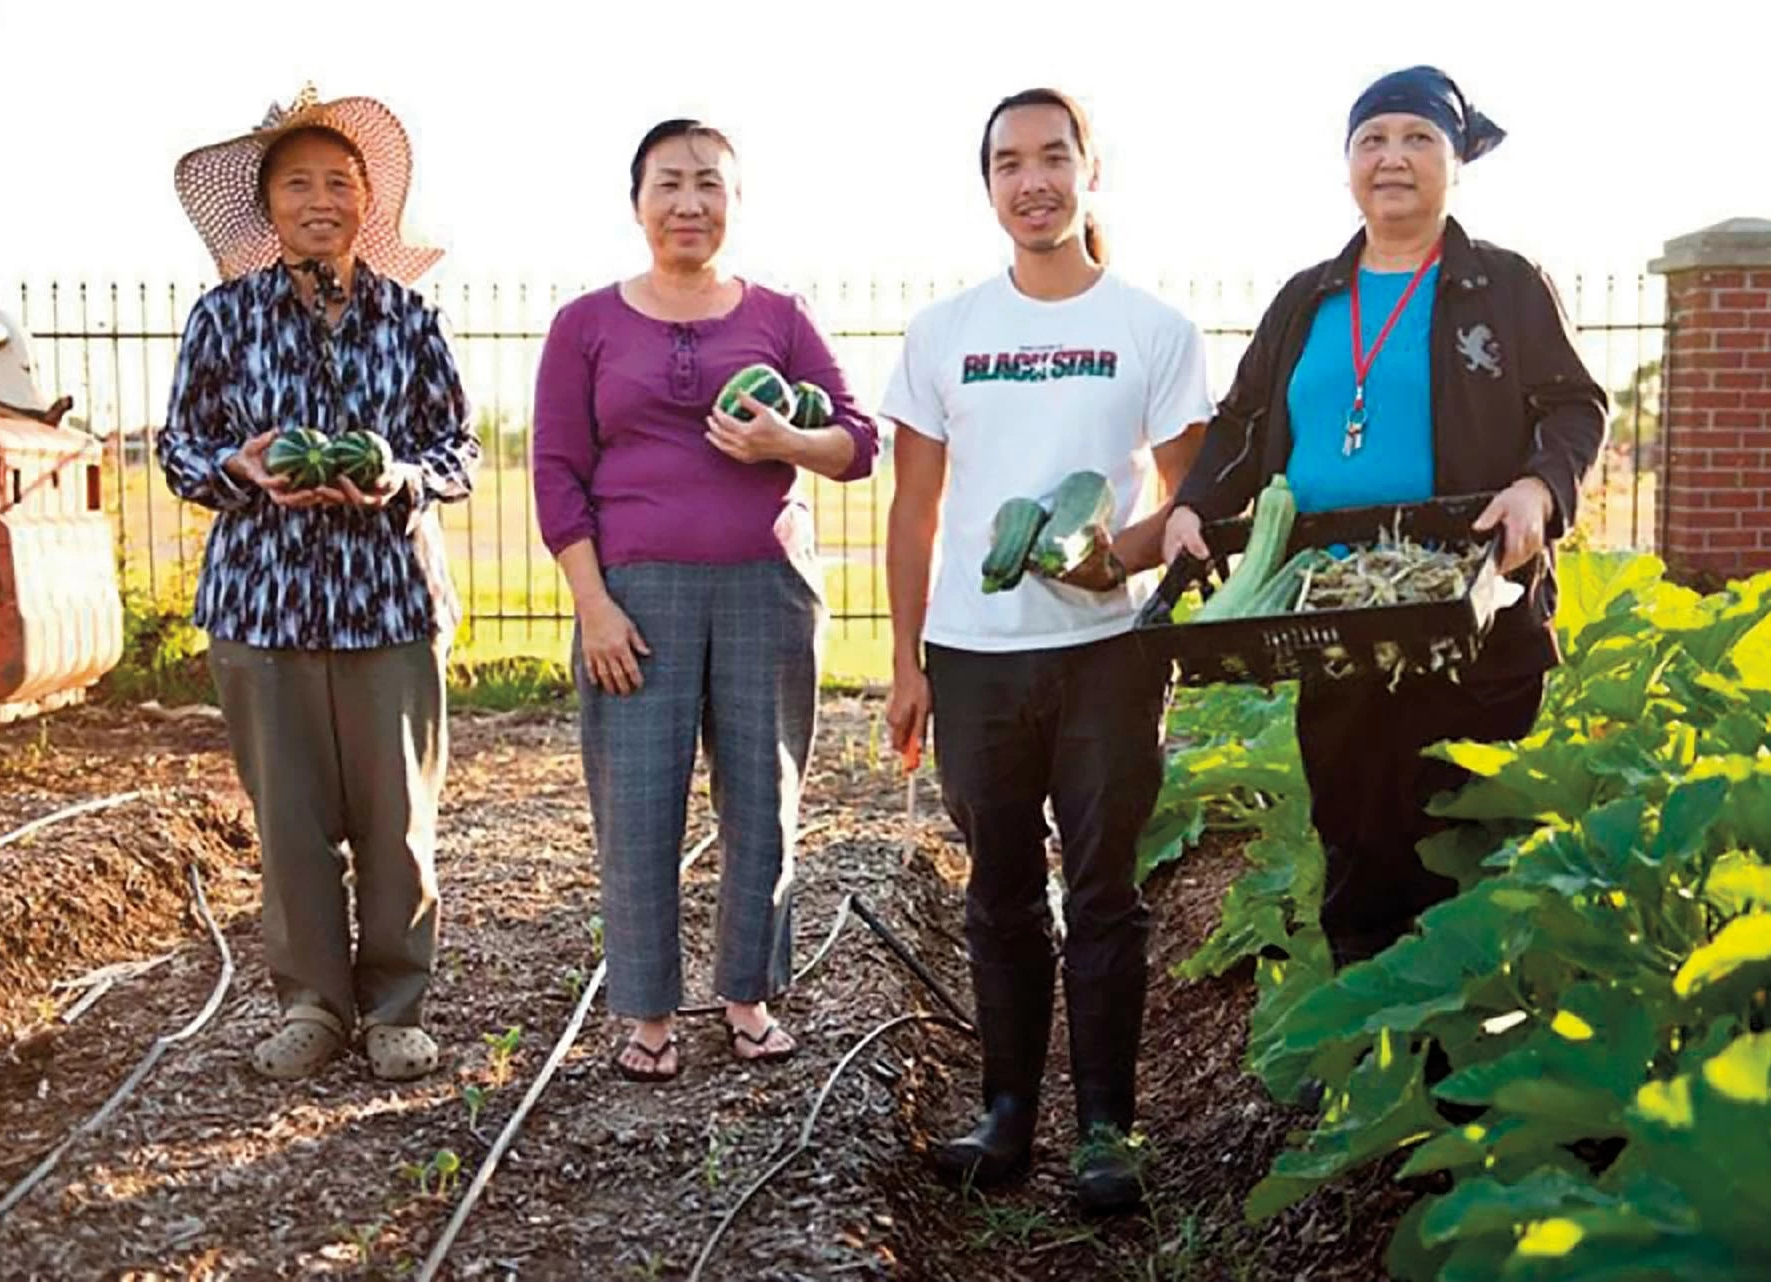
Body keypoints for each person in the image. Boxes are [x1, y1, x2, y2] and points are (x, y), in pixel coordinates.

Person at [1163, 66, 1608, 969]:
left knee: (1463, 846)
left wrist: (1538, 491)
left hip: (1467, 607)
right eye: (1372, 140)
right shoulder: (1307, 299)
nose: (1392, 159)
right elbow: (1247, 423)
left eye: (1417, 140)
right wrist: (1194, 509)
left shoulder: (1506, 286)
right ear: (1348, 167)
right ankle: (1373, 1063)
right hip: (1334, 609)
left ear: (1454, 163)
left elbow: (1573, 407)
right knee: (1358, 841)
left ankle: (1461, 1070)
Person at [881, 88, 1213, 1215]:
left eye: (1053, 157)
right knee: (1003, 892)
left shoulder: (1152, 329)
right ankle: (1008, 1114)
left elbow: (1189, 506)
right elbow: (913, 510)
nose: (1034, 180)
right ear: (988, 186)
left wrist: (1109, 560)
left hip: (1109, 653)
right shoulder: (945, 333)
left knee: (1107, 890)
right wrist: (909, 660)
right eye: (1010, 162)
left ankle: (1109, 1128)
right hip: (973, 656)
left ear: (1090, 169)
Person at [533, 119, 881, 1084]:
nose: (690, 203)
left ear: (734, 200)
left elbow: (858, 440)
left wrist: (790, 446)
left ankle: (747, 996)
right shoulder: (586, 325)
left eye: (709, 184)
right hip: (634, 597)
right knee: (638, 807)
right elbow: (557, 474)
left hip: (766, 587)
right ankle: (647, 1012)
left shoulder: (779, 315)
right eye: (670, 183)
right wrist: (593, 606)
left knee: (762, 801)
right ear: (637, 199)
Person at [160, 85, 479, 1081]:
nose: (321, 198)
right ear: (267, 207)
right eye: (298, 182)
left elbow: (458, 452)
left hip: (390, 603)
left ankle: (393, 1007)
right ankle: (311, 1005)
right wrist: (239, 469)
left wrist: (400, 475)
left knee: (397, 825)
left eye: (339, 181)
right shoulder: (222, 319)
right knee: (290, 825)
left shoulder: (412, 318)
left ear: (366, 202)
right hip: (262, 606)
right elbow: (176, 448)